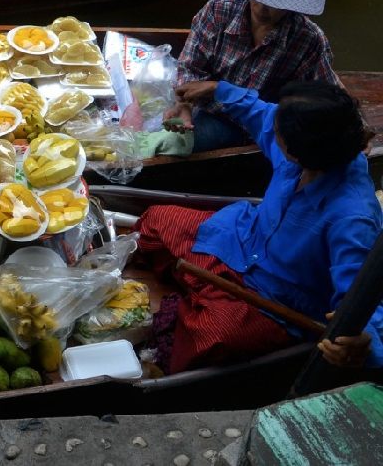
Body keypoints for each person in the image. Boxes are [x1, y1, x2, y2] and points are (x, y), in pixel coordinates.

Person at [138, 79, 382, 374]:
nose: (271, 128)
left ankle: (200, 304)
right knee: (157, 220)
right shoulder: (308, 146)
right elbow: (261, 113)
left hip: (273, 301)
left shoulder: (353, 218)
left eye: (277, 132)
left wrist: (358, 344)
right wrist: (218, 90)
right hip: (240, 241)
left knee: (210, 336)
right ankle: (200, 297)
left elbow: (360, 298)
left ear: (294, 152)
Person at [165, 0, 339, 152]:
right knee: (166, 134)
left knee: (179, 146)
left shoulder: (309, 40)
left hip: (258, 125)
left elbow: (328, 97)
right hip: (209, 108)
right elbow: (190, 66)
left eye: (278, 0)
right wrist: (184, 103)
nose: (264, 6)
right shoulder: (219, 9)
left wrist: (357, 130)